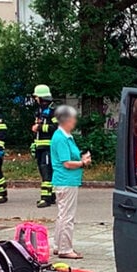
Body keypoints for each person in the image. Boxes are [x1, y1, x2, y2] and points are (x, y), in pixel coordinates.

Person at [50, 105, 91, 259]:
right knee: (67, 216)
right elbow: (66, 163)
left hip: (67, 180)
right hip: (66, 180)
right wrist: (83, 163)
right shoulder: (61, 138)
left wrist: (81, 159)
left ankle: (58, 245)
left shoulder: (65, 136)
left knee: (63, 214)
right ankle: (65, 249)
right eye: (72, 118)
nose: (74, 122)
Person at [31, 84, 59, 208]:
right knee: (43, 171)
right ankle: (51, 196)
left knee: (47, 171)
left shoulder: (53, 111)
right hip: (40, 147)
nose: (35, 99)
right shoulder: (40, 111)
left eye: (37, 97)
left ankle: (46, 198)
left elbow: (57, 128)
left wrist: (40, 127)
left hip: (49, 147)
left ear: (42, 98)